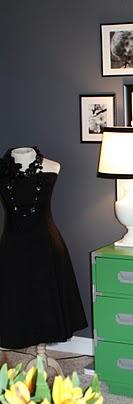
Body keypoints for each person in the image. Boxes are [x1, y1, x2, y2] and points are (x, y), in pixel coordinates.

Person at [0, 147, 87, 368]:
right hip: (12, 246)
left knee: (46, 298)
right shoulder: (2, 169)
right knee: (18, 299)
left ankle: (43, 357)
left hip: (46, 245)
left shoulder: (52, 166)